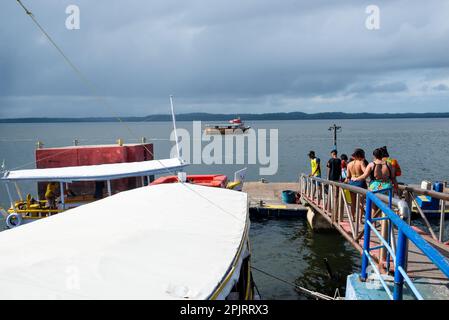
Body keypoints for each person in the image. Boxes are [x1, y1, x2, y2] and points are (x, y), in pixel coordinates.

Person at [346, 148, 367, 219]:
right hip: (360, 183)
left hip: (352, 183)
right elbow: (365, 173)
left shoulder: (349, 164)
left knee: (353, 203)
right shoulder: (361, 162)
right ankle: (360, 219)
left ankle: (353, 218)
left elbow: (348, 176)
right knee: (361, 202)